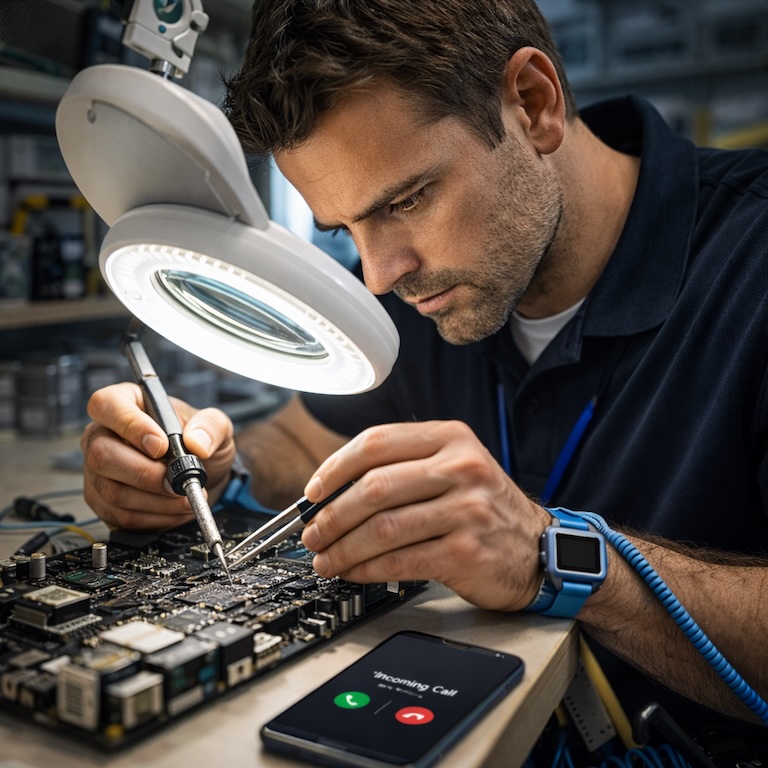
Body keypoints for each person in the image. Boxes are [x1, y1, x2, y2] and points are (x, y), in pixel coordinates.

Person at [82, 0, 768, 746]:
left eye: (407, 200)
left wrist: (554, 556)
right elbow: (302, 443)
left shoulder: (751, 263)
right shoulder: (419, 294)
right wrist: (204, 462)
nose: (379, 275)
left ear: (533, 105)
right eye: (345, 229)